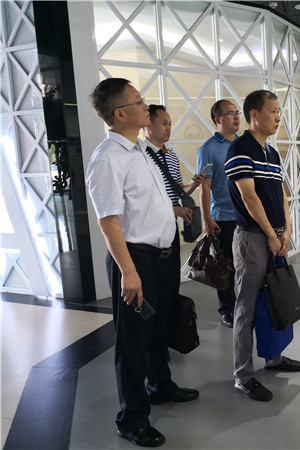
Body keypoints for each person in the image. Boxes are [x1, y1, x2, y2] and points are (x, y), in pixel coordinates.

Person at [86, 78, 199, 448]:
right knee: (133, 341)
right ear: (121, 113)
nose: (146, 106)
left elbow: (149, 203)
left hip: (162, 257)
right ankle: (132, 419)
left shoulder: (140, 150)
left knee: (158, 331)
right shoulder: (108, 158)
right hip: (136, 260)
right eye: (139, 101)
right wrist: (129, 272)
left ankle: (161, 386)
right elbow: (108, 220)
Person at [225, 89, 300, 402]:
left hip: (274, 236)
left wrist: (286, 230)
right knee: (246, 308)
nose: (278, 117)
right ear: (254, 115)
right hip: (252, 239)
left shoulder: (271, 153)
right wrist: (272, 235)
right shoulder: (240, 149)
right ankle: (243, 376)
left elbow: (281, 194)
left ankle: (274, 357)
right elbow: (249, 197)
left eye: (279, 111)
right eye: (273, 111)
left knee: (275, 298)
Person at [196, 99, 240, 328]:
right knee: (226, 267)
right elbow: (204, 187)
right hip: (223, 216)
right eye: (230, 113)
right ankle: (227, 309)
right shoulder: (208, 149)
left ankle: (246, 305)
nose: (236, 116)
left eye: (237, 112)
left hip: (247, 215)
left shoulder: (244, 144)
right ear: (218, 119)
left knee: (248, 265)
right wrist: (207, 219)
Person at [144, 104, 204, 270]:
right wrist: (172, 210)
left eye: (170, 124)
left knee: (171, 273)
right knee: (153, 273)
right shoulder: (139, 155)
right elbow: (143, 198)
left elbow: (179, 190)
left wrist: (194, 184)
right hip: (149, 227)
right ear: (148, 125)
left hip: (171, 225)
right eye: (164, 124)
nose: (169, 128)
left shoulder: (171, 156)